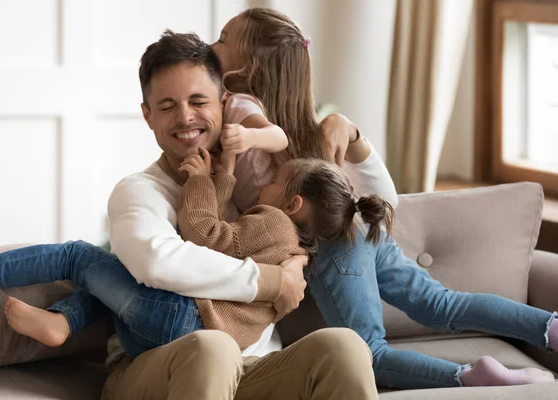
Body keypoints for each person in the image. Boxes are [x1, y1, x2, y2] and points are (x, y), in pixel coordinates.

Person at [0, 31, 379, 400]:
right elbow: (161, 262)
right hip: (156, 367)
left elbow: (369, 209)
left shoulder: (260, 186)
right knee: (212, 348)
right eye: (167, 106)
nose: (185, 117)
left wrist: (353, 136)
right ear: (147, 115)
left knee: (344, 348)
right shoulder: (138, 192)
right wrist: (273, 281)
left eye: (198, 101)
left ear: (225, 103)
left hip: (252, 370)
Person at [212, 7, 556, 390]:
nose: (212, 43)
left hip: (332, 245)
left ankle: (467, 378)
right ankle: (551, 327)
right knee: (444, 305)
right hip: (361, 227)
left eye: (224, 39)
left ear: (249, 68)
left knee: (366, 354)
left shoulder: (239, 114)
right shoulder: (303, 130)